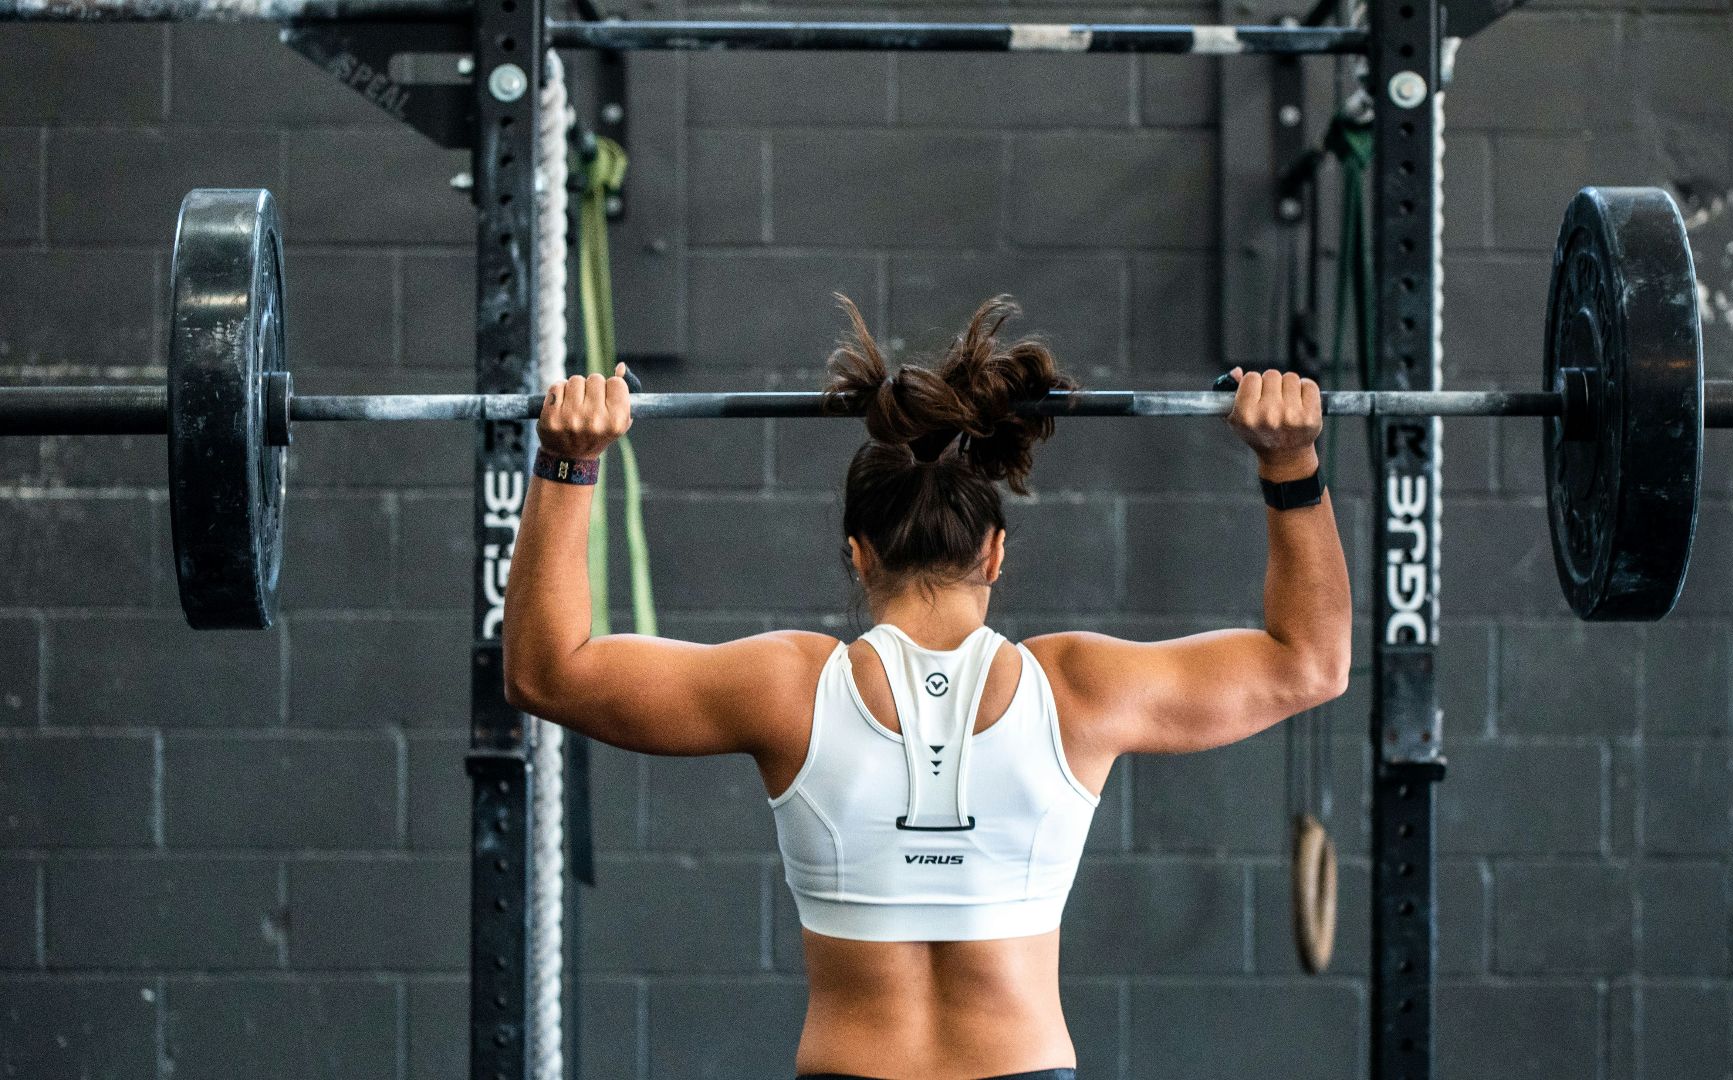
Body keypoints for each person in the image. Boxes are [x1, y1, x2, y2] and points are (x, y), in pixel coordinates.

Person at [503, 295, 1352, 1080]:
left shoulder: (788, 688)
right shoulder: (1079, 689)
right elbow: (1310, 662)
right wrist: (1292, 461)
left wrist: (568, 463)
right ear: (995, 552)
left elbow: (547, 670)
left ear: (857, 552)